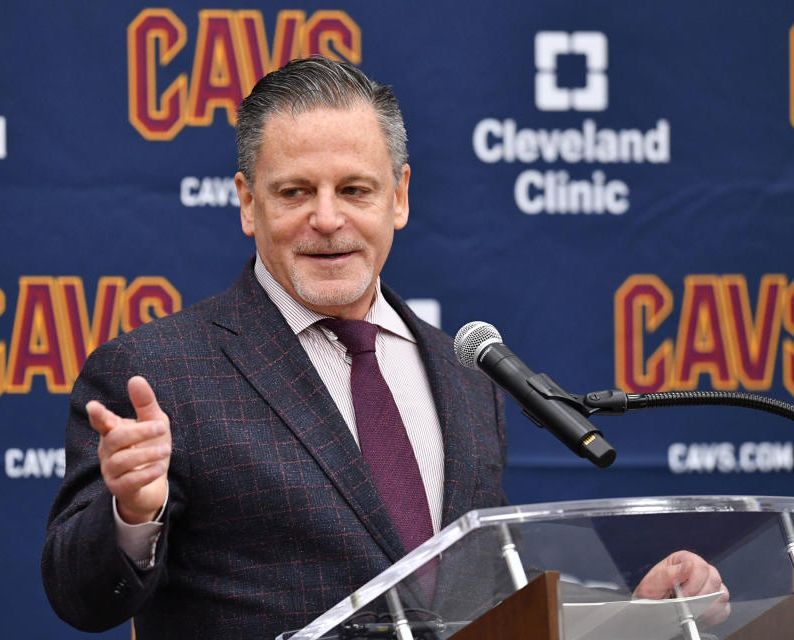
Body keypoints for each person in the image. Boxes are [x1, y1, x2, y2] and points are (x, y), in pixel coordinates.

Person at [41, 57, 726, 639]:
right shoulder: (158, 372)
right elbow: (80, 596)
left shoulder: (467, 379)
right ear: (248, 204)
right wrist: (132, 515)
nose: (329, 218)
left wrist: (632, 617)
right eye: (295, 192)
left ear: (397, 198)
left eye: (355, 190)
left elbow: (474, 596)